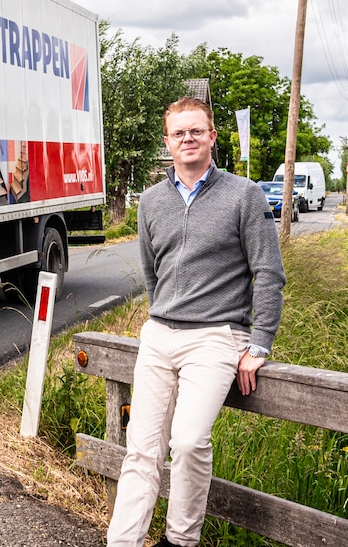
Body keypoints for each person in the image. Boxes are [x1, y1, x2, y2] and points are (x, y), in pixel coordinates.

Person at [106, 96, 285, 547]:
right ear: (167, 141)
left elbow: (268, 273)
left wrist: (259, 343)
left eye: (196, 130)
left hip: (217, 339)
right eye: (178, 132)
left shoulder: (245, 195)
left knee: (187, 442)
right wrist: (163, 315)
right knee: (141, 450)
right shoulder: (150, 201)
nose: (187, 139)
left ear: (212, 137)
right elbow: (152, 272)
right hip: (159, 335)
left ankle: (180, 541)